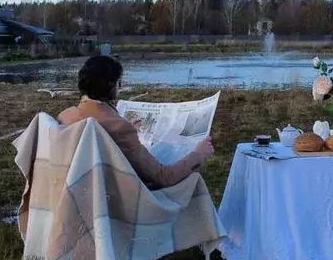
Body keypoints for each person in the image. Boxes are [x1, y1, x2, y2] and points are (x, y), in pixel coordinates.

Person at [57, 55, 215, 189]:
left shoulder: (66, 116)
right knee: (193, 182)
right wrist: (198, 154)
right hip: (115, 205)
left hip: (78, 193)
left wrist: (124, 129)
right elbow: (164, 177)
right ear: (113, 85)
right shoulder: (118, 128)